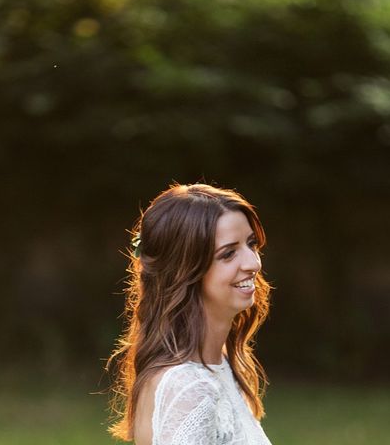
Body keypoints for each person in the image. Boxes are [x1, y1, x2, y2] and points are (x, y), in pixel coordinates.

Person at [107, 183, 273, 445]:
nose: (253, 263)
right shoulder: (189, 387)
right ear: (186, 270)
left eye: (251, 244)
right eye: (228, 253)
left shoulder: (219, 365)